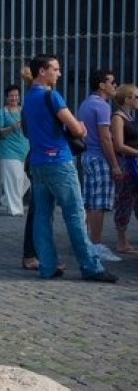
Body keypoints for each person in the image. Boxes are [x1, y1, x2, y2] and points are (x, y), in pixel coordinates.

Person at [22, 55, 117, 283]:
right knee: (75, 214)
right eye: (55, 69)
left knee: (42, 217)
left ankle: (48, 266)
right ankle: (91, 266)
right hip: (59, 161)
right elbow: (77, 129)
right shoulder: (51, 95)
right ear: (42, 71)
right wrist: (82, 128)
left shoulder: (28, 99)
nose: (59, 73)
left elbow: (27, 130)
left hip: (38, 162)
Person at [75, 69, 123, 262]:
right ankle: (96, 244)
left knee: (89, 201)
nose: (115, 86)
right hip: (99, 158)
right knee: (99, 204)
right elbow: (105, 138)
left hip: (87, 156)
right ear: (102, 85)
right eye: (112, 82)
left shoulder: (86, 103)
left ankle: (88, 240)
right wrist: (115, 164)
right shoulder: (102, 106)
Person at [110, 84, 138, 254]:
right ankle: (122, 240)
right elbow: (119, 145)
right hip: (128, 164)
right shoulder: (118, 118)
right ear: (127, 98)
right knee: (124, 200)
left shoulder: (130, 117)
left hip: (134, 162)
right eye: (136, 96)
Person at [0, 85, 30, 216]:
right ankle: (16, 210)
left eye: (16, 95)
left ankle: (6, 200)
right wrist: (12, 127)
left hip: (24, 150)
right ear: (6, 97)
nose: (14, 98)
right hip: (8, 150)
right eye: (11, 95)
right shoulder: (1, 113)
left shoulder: (24, 111)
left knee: (24, 181)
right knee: (16, 178)